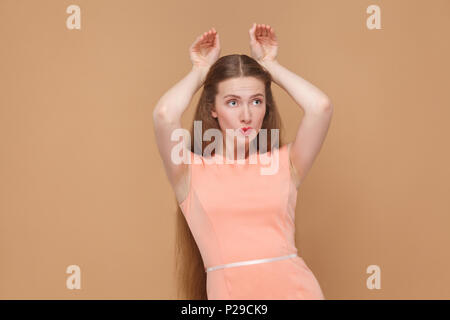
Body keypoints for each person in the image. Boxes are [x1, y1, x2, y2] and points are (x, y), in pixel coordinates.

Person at [153, 23, 333, 300]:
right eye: (233, 102)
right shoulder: (188, 171)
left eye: (257, 101)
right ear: (213, 108)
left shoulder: (285, 163)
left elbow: (320, 107)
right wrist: (201, 71)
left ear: (265, 106)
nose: (247, 115)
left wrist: (269, 66)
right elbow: (165, 114)